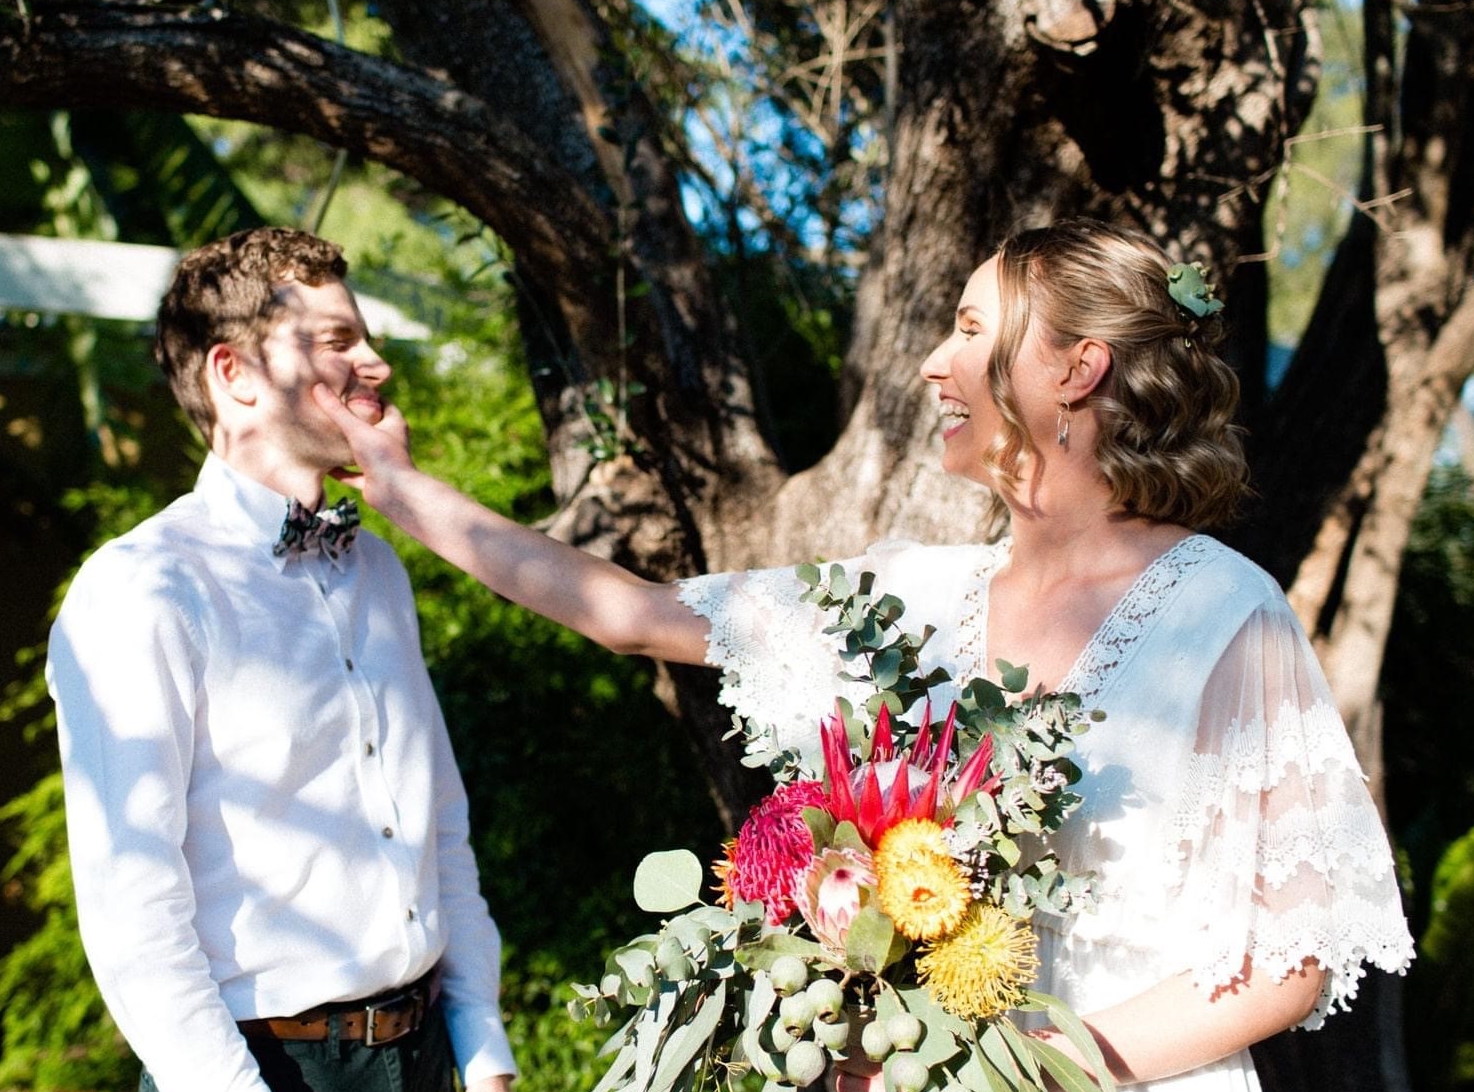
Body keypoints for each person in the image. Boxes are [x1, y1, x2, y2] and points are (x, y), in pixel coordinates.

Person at [310, 218, 1414, 1091]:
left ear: (1077, 370)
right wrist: (399, 489)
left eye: (971, 330)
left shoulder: (1224, 613)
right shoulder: (912, 603)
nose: (934, 364)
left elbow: (1288, 964)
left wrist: (1020, 1074)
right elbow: (632, 613)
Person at [47, 228, 517, 1092]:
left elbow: (439, 822)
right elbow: (133, 905)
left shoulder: (378, 571)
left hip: (425, 1055)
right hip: (260, 1067)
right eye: (339, 340)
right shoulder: (143, 589)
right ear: (236, 375)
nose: (375, 364)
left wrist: (481, 1042)